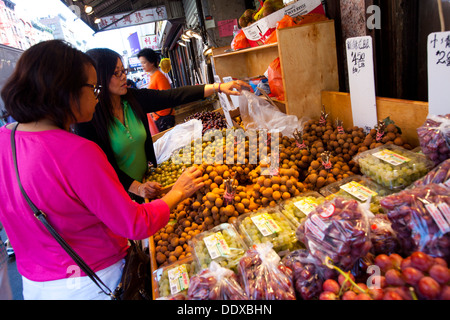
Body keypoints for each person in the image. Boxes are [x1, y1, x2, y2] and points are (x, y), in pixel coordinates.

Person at [0, 39, 205, 300]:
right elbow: (134, 223)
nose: (97, 97)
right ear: (67, 90)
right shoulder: (77, 152)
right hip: (94, 282)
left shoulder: (4, 139)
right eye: (93, 87)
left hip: (36, 284)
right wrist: (177, 192)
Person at [75, 47, 251, 203]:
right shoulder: (88, 118)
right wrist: (135, 187)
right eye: (116, 73)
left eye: (124, 71)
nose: (124, 77)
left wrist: (217, 87)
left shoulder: (131, 99)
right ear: (99, 78)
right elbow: (99, 167)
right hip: (118, 196)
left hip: (148, 184)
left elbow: (171, 96)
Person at [137, 48, 174, 132]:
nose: (142, 65)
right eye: (141, 63)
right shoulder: (153, 76)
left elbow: (166, 97)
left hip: (164, 117)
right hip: (159, 117)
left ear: (152, 62)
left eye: (144, 62)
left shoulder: (159, 76)